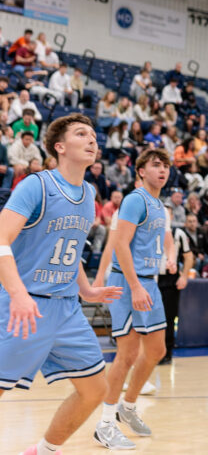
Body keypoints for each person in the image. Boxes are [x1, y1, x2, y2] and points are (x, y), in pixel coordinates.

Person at [0, 114, 122, 455]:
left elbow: (68, 248)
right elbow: (0, 240)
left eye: (95, 135)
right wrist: (18, 294)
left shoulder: (88, 193)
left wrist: (86, 289)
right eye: (82, 134)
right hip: (23, 305)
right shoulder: (35, 185)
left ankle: (44, 451)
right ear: (60, 146)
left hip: (67, 309)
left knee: (96, 389)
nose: (92, 140)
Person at [92, 147, 173, 448]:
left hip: (149, 282)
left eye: (165, 165)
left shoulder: (159, 205)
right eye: (155, 165)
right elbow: (120, 245)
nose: (162, 170)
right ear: (140, 171)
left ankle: (127, 407)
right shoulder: (134, 200)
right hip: (128, 283)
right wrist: (136, 286)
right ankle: (104, 425)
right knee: (127, 354)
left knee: (156, 350)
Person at [157, 201, 192, 366]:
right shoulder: (151, 230)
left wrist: (184, 276)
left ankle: (166, 353)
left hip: (170, 280)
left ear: (171, 216)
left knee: (169, 318)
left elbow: (189, 256)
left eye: (168, 213)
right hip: (151, 277)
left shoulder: (179, 233)